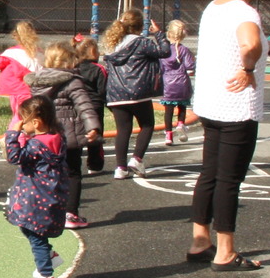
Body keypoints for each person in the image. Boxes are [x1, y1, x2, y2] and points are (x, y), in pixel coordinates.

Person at [188, 0, 270, 272]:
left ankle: (200, 239)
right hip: (238, 107)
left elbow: (244, 43)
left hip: (212, 103)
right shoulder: (244, 10)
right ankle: (225, 251)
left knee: (210, 172)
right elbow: (249, 44)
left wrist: (268, 46)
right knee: (229, 180)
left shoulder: (216, 7)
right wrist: (248, 67)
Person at [28, 42, 103, 228]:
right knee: (72, 173)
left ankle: (44, 210)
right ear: (70, 61)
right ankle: (70, 214)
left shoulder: (36, 81)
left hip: (44, 136)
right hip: (68, 137)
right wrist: (93, 127)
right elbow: (84, 106)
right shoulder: (73, 81)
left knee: (46, 173)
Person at [4, 96, 71, 278]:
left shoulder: (35, 146)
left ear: (36, 122)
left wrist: (12, 135)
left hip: (34, 197)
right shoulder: (58, 138)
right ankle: (49, 256)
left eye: (23, 119)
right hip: (51, 196)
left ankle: (46, 276)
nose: (21, 123)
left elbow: (14, 157)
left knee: (35, 235)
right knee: (29, 228)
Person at [102, 9, 169, 180]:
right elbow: (164, 52)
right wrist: (159, 34)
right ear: (141, 26)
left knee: (123, 130)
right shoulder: (142, 43)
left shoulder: (112, 45)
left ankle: (120, 167)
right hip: (138, 92)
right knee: (147, 125)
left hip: (116, 93)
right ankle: (137, 158)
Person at [0, 21, 42, 130]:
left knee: (18, 115)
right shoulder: (39, 52)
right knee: (29, 114)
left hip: (15, 89)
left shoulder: (12, 53)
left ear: (16, 36)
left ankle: (12, 136)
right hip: (32, 89)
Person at [71, 38, 107, 174]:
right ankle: (94, 164)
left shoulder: (74, 68)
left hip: (78, 106)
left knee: (78, 134)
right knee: (95, 135)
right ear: (93, 52)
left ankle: (75, 163)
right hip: (95, 107)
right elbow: (102, 90)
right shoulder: (98, 69)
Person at [159, 20, 196, 146]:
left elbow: (160, 67)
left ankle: (168, 136)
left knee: (168, 111)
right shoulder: (184, 50)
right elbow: (190, 66)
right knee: (182, 106)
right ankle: (181, 123)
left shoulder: (164, 51)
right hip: (182, 82)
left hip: (167, 83)